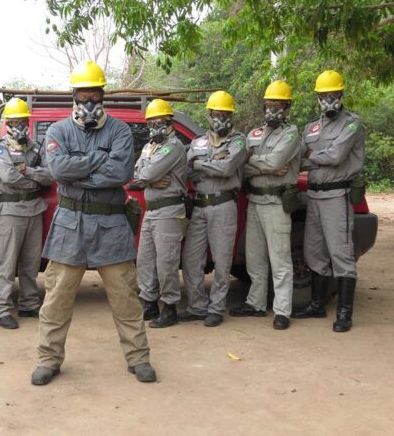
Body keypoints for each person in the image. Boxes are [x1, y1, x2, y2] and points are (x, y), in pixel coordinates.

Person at [31, 60, 156, 386]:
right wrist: (100, 159)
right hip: (70, 222)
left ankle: (138, 358)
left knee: (126, 296)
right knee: (56, 297)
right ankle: (48, 359)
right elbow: (58, 170)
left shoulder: (119, 130)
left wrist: (79, 168)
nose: (88, 104)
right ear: (74, 97)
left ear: (102, 97)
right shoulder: (59, 130)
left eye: (94, 97)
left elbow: (121, 173)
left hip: (111, 225)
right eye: (82, 97)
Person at [291, 70, 364, 332]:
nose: (328, 100)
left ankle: (344, 313)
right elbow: (299, 158)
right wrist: (314, 155)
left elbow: (337, 155)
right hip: (314, 196)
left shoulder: (352, 123)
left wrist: (313, 155)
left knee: (341, 253)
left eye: (333, 95)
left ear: (341, 95)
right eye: (324, 96)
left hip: (337, 196)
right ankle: (317, 304)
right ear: (318, 97)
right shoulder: (312, 127)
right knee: (313, 252)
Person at [229, 80, 300, 330]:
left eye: (277, 105)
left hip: (276, 203)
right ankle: (256, 304)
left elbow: (279, 159)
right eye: (268, 105)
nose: (272, 110)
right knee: (254, 259)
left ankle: (282, 311)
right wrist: (266, 165)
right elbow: (241, 166)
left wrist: (255, 161)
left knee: (279, 259)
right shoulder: (254, 134)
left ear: (287, 107)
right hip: (255, 202)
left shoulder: (291, 133)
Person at [179, 91, 246, 327]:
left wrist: (201, 164)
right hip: (199, 206)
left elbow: (227, 168)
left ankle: (217, 307)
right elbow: (187, 170)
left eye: (225, 114)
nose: (220, 118)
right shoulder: (197, 141)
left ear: (231, 115)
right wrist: (212, 162)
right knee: (190, 258)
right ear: (209, 115)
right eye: (216, 114)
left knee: (222, 260)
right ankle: (197, 306)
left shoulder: (238, 141)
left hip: (223, 205)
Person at [0, 97, 52, 329]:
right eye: (15, 121)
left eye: (23, 120)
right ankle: (2, 309)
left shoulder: (36, 147)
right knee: (7, 263)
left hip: (34, 210)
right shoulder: (0, 147)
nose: (19, 125)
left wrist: (29, 172)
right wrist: (34, 181)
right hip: (11, 211)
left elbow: (49, 175)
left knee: (31, 262)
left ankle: (28, 304)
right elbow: (8, 177)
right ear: (7, 123)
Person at [133, 99, 187, 328]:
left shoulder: (173, 146)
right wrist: (151, 180)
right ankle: (149, 302)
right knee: (145, 260)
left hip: (169, 210)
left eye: (159, 121)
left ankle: (170, 307)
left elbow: (150, 171)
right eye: (151, 122)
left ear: (169, 121)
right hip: (151, 211)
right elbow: (137, 173)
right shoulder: (148, 147)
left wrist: (148, 177)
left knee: (166, 263)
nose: (154, 126)